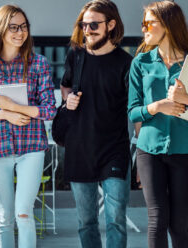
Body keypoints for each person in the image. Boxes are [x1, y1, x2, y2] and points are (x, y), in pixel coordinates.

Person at [0, 5, 56, 248]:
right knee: (4, 218)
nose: (20, 32)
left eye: (23, 27)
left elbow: (49, 109)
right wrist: (3, 112)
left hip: (31, 148)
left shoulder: (38, 64)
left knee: (23, 213)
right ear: (0, 30)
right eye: (13, 27)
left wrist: (17, 109)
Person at [60, 0, 132, 247]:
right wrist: (67, 98)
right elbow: (65, 85)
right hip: (80, 148)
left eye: (93, 24)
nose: (87, 30)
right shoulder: (76, 56)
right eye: (84, 24)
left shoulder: (125, 62)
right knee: (86, 222)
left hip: (115, 149)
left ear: (110, 25)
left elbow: (134, 106)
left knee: (116, 220)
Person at [128, 1, 188, 247]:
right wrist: (156, 107)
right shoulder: (140, 63)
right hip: (149, 151)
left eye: (148, 23)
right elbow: (133, 112)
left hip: (184, 151)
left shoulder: (187, 62)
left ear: (167, 25)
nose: (143, 29)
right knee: (157, 219)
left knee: (181, 222)